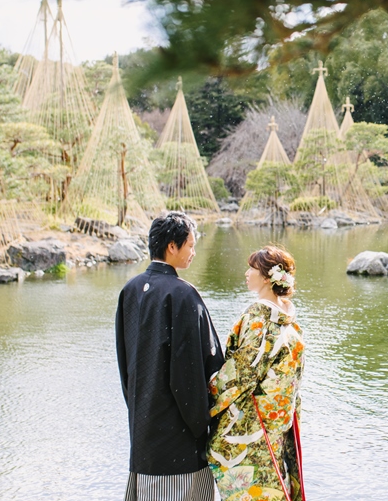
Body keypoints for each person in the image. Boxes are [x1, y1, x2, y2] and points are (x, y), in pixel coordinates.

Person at [116, 212, 225, 501]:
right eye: (190, 245)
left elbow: (125, 364)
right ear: (172, 247)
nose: (193, 252)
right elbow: (195, 371)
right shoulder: (183, 295)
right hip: (179, 436)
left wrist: (139, 409)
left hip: (143, 426)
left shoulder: (130, 290)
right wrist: (202, 424)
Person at [208, 245, 305, 501]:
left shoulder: (258, 317)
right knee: (274, 479)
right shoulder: (289, 320)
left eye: (251, 268)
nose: (246, 273)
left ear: (266, 277)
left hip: (255, 421)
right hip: (279, 419)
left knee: (254, 486)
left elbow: (242, 373)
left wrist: (209, 391)